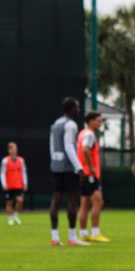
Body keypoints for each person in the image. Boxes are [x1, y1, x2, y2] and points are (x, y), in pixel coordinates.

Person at [48, 97, 88, 246]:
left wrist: (54, 161)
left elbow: (52, 146)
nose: (78, 110)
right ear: (71, 109)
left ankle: (55, 237)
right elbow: (69, 147)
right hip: (69, 168)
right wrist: (79, 168)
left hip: (56, 166)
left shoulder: (56, 123)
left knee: (56, 201)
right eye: (77, 107)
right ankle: (72, 238)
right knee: (72, 201)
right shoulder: (70, 124)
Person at [77, 111, 109, 243]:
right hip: (90, 174)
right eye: (98, 121)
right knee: (98, 202)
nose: (100, 123)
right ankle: (95, 232)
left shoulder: (82, 133)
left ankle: (83, 233)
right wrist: (90, 166)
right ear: (90, 121)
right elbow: (85, 149)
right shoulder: (90, 134)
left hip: (84, 174)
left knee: (84, 204)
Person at [0, 141, 28, 226]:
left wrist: (25, 183)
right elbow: (2, 173)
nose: (14, 150)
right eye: (12, 149)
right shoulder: (5, 160)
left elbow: (24, 172)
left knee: (20, 200)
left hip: (18, 185)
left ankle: (15, 216)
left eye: (15, 149)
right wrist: (3, 184)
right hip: (9, 185)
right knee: (9, 202)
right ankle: (10, 219)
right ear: (9, 150)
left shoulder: (21, 160)